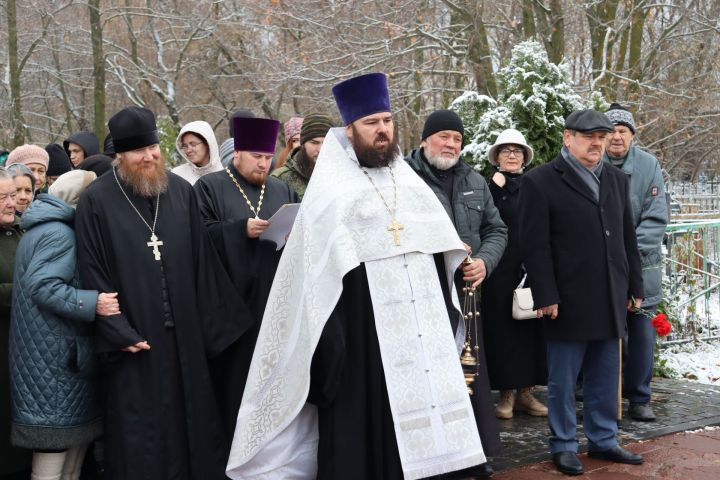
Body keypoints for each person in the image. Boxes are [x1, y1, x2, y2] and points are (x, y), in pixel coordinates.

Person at [226, 73, 485, 480]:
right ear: (349, 131)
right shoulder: (330, 190)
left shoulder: (409, 182)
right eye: (371, 123)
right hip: (363, 327)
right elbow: (313, 267)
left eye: (387, 120)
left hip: (420, 326)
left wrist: (453, 255)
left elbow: (437, 240)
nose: (382, 130)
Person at [75, 106, 252, 480]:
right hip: (137, 342)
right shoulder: (97, 201)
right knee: (144, 434)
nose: (150, 156)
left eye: (153, 147)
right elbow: (92, 268)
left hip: (186, 337)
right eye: (139, 151)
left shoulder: (181, 191)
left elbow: (204, 264)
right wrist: (118, 329)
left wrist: (215, 330)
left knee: (195, 425)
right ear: (120, 156)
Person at [519, 110, 645, 476]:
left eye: (603, 136)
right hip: (565, 298)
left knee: (606, 374)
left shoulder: (617, 179)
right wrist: (545, 294)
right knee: (563, 378)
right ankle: (562, 445)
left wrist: (634, 285)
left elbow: (626, 238)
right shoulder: (540, 181)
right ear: (567, 137)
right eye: (588, 136)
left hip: (610, 293)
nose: (597, 143)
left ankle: (604, 440)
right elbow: (535, 245)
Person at [405, 109, 507, 472]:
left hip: (466, 299)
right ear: (424, 140)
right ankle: (429, 458)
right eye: (443, 136)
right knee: (429, 382)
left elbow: (496, 230)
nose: (450, 144)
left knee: (469, 379)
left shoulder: (476, 181)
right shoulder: (401, 177)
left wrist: (484, 261)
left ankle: (472, 454)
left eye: (457, 139)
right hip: (420, 299)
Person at [194, 116, 299, 444]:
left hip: (276, 302)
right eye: (257, 157)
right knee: (235, 388)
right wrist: (239, 230)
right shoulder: (209, 187)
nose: (263, 164)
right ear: (237, 153)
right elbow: (196, 238)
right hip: (231, 310)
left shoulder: (283, 188)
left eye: (268, 158)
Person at [9, 170, 111, 480]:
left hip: (56, 358)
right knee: (53, 462)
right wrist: (94, 303)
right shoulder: (59, 233)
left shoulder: (47, 228)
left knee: (69, 459)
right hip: (55, 362)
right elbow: (43, 287)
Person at [604, 103, 668, 422]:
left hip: (643, 268)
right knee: (603, 333)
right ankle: (602, 392)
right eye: (611, 130)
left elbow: (656, 217)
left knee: (642, 333)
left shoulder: (648, 165)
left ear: (632, 136)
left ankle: (640, 397)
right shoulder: (590, 164)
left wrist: (628, 254)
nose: (616, 137)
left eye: (623, 131)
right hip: (602, 270)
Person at [481, 128, 548, 420]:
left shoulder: (536, 185)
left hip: (532, 267)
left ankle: (526, 393)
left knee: (531, 330)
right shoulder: (487, 187)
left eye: (517, 151)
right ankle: (506, 394)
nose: (511, 155)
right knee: (503, 331)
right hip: (500, 269)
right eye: (506, 150)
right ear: (497, 156)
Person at [0, 168, 32, 480]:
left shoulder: (25, 230)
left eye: (14, 195)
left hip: (24, 350)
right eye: (3, 197)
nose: (12, 203)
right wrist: (24, 290)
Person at [272, 113, 334, 198]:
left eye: (326, 143)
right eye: (314, 143)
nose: (320, 149)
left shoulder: (341, 175)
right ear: (302, 144)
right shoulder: (280, 180)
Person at [172, 120, 223, 185]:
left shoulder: (226, 176)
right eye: (185, 146)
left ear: (207, 143)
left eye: (193, 144)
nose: (188, 150)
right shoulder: (178, 176)